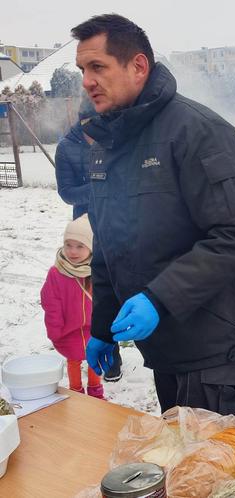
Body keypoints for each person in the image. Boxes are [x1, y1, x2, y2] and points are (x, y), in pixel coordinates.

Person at [72, 14, 235, 416]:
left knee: (210, 470)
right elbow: (110, 243)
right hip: (164, 339)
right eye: (82, 70)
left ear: (138, 66)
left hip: (214, 342)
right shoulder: (110, 144)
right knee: (178, 459)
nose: (87, 81)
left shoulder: (197, 132)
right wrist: (102, 326)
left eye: (97, 67)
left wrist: (158, 299)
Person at [54, 99, 124, 383]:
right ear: (83, 123)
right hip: (88, 228)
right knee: (97, 291)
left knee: (123, 283)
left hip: (120, 220)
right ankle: (111, 354)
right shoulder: (66, 148)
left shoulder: (113, 137)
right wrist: (99, 185)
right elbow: (67, 192)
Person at [40, 214, 104, 399]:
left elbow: (107, 298)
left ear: (91, 248)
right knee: (73, 360)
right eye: (68, 245)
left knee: (94, 357)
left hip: (94, 328)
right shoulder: (56, 272)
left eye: (80, 246)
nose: (73, 251)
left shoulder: (97, 270)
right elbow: (51, 302)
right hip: (69, 329)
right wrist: (55, 328)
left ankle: (95, 390)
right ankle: (76, 390)